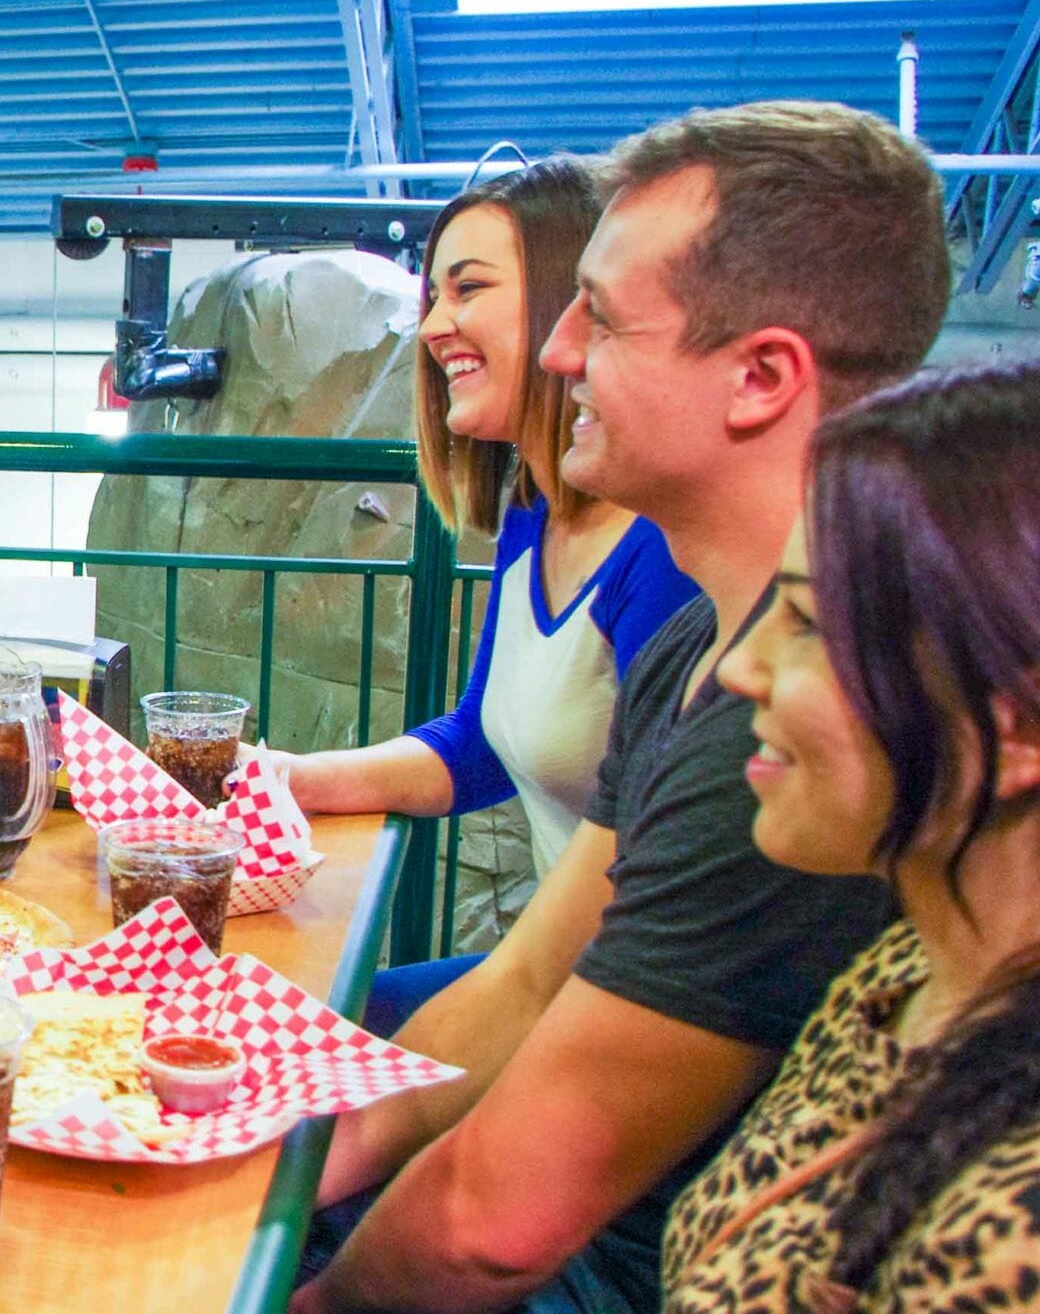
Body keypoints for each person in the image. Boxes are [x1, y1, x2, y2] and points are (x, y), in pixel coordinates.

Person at [296, 100, 948, 1313]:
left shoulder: (800, 728)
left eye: (602, 317)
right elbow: (533, 977)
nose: (558, 350)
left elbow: (500, 1225)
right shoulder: (706, 637)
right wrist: (288, 1168)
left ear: (760, 377)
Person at [664, 361, 1040, 1310]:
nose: (740, 670)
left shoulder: (1011, 1240)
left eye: (803, 623)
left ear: (1021, 728)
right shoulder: (907, 972)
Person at [272, 156, 696, 900]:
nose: (434, 327)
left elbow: (656, 887)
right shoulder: (531, 510)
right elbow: (482, 744)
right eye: (434, 294)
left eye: (468, 288)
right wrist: (291, 778)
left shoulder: (665, 554)